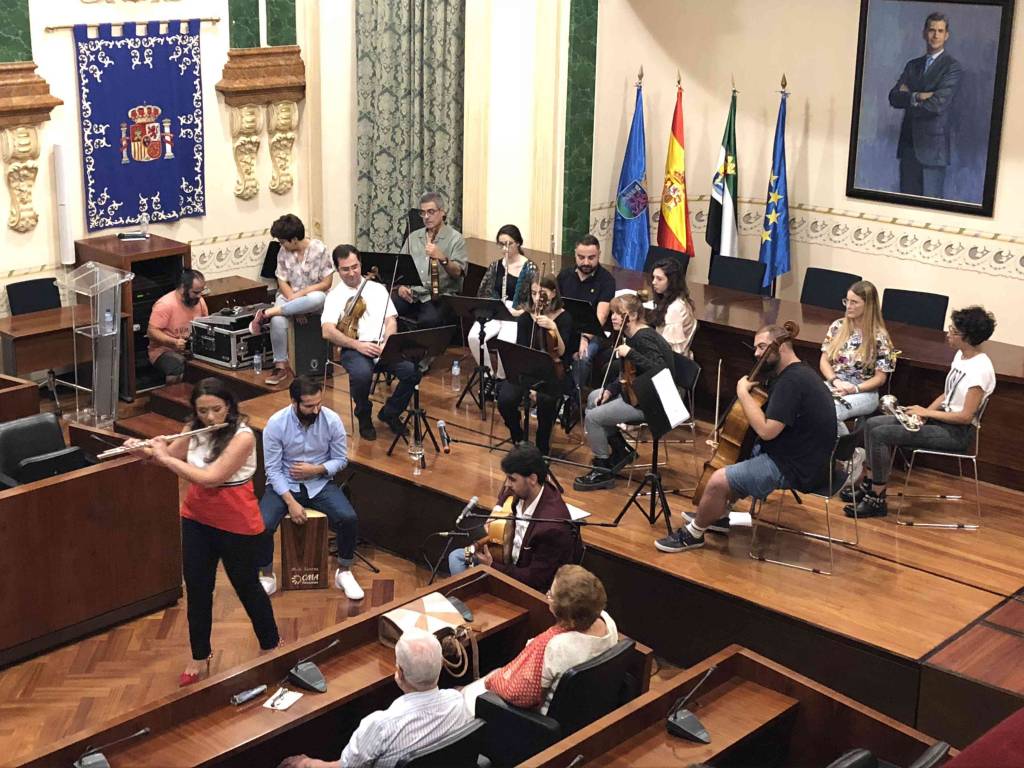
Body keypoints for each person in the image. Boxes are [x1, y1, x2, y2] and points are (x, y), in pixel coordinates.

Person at [125, 378, 279, 685]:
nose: (210, 418)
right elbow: (169, 459)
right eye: (203, 411)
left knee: (247, 587)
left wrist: (165, 457)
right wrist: (143, 452)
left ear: (230, 407)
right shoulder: (192, 429)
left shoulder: (243, 436)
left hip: (236, 522)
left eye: (216, 410)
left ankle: (271, 644)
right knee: (197, 590)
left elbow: (210, 478)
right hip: (197, 519)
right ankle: (199, 654)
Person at [655, 324, 836, 553]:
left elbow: (767, 430)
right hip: (801, 455)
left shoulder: (791, 382)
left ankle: (694, 533)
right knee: (738, 456)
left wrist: (742, 393)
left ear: (780, 348)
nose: (756, 354)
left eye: (762, 347)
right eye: (756, 348)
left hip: (796, 466)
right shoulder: (798, 373)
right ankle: (717, 515)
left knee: (719, 479)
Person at [844, 306, 996, 519]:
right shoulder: (962, 356)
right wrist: (923, 414)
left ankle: (877, 498)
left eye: (953, 330)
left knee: (880, 434)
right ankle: (870, 482)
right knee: (872, 424)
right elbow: (947, 394)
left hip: (956, 433)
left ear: (966, 336)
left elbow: (965, 417)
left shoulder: (980, 370)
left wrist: (927, 413)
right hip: (941, 422)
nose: (948, 333)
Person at [278, 629, 471, 768]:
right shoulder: (458, 703)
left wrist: (306, 764)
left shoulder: (379, 727)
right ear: (439, 666)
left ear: (400, 673)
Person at [257, 375, 364, 600]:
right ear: (294, 402)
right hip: (284, 485)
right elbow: (273, 470)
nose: (316, 410)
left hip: (319, 483)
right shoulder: (276, 424)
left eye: (319, 404)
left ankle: (344, 571)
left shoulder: (332, 420)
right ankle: (267, 575)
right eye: (309, 406)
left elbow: (341, 459)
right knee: (263, 525)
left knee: (348, 518)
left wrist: (316, 470)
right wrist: (291, 502)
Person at [461, 565, 618, 716]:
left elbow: (525, 697)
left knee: (465, 695)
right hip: (582, 708)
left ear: (563, 612)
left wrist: (492, 682)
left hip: (532, 720)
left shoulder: (559, 647)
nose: (547, 596)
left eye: (550, 594)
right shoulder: (608, 621)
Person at [573, 293, 675, 491]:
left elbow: (662, 371)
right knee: (595, 397)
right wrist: (610, 391)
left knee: (593, 417)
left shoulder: (644, 338)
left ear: (634, 315)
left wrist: (631, 354)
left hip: (654, 402)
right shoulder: (630, 336)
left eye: (619, 313)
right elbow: (627, 373)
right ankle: (621, 450)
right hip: (637, 392)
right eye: (613, 313)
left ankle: (602, 470)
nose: (613, 317)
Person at [448, 443, 578, 592]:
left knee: (466, 582)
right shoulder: (527, 489)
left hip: (522, 583)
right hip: (506, 562)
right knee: (456, 557)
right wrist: (497, 509)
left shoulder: (552, 527)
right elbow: (507, 493)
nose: (508, 484)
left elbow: (534, 579)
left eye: (512, 479)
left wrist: (492, 566)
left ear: (533, 479)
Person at [321, 245, 420, 440]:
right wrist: (357, 345)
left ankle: (390, 412)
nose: (352, 273)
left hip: (383, 345)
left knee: (412, 372)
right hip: (354, 347)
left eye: (355, 266)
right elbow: (327, 330)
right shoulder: (334, 296)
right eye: (345, 269)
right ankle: (364, 415)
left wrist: (387, 341)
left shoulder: (377, 289)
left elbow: (391, 320)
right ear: (337, 270)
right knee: (361, 375)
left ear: (360, 263)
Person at [250, 214, 335, 386]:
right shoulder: (283, 252)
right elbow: (281, 281)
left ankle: (266, 313)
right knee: (278, 321)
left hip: (312, 298)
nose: (281, 245)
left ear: (294, 239)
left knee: (319, 298)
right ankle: (280, 366)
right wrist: (294, 304)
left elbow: (326, 283)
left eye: (283, 241)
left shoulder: (320, 249)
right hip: (289, 298)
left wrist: (302, 294)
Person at [888, 12, 963, 198]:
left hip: (933, 151)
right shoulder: (912, 65)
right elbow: (894, 97)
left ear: (947, 35)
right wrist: (919, 96)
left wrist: (909, 97)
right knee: (905, 207)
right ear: (924, 33)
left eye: (940, 31)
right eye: (931, 30)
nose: (935, 35)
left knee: (928, 210)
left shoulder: (952, 67)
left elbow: (938, 105)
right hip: (908, 148)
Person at [496, 275, 573, 456]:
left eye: (542, 293)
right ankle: (517, 435)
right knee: (505, 399)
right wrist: (528, 387)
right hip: (526, 370)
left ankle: (542, 446)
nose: (537, 298)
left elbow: (561, 352)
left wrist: (553, 328)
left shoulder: (564, 318)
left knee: (547, 401)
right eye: (533, 293)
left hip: (552, 371)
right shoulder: (526, 318)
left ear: (553, 293)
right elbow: (520, 350)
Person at [819, 280, 895, 435]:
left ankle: (849, 455)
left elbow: (880, 378)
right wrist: (836, 381)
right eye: (847, 301)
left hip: (863, 391)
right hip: (835, 383)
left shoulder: (880, 337)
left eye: (854, 302)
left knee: (831, 411)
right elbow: (824, 361)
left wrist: (854, 388)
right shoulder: (837, 326)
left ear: (868, 305)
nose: (848, 306)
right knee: (804, 402)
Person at [468, 224, 537, 387]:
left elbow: (535, 298)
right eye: (501, 244)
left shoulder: (530, 268)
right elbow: (483, 292)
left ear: (518, 243)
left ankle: (501, 379)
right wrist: (493, 304)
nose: (504, 248)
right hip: (496, 311)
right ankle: (488, 376)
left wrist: (520, 311)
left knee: (506, 342)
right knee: (474, 337)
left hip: (516, 314)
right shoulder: (496, 265)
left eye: (509, 244)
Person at [395, 191, 468, 331]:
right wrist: (401, 287)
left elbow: (458, 273)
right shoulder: (414, 237)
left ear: (442, 212)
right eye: (423, 213)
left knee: (429, 321)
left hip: (439, 296)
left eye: (431, 212)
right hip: (413, 293)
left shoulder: (455, 239)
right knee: (386, 309)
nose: (426, 217)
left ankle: (424, 351)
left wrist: (442, 258)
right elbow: (401, 268)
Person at [557, 235, 616, 391]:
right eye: (581, 257)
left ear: (599, 255)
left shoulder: (607, 280)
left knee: (583, 356)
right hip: (567, 326)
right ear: (575, 254)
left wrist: (584, 338)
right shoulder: (564, 275)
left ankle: (573, 398)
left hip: (593, 332)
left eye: (591, 258)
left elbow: (601, 316)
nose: (586, 262)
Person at [147, 268, 208, 384]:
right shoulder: (165, 304)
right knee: (177, 364)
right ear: (183, 288)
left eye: (201, 292)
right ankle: (172, 397)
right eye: (195, 292)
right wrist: (173, 342)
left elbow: (206, 324)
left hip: (192, 349)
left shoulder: (200, 302)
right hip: (164, 351)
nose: (200, 296)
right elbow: (152, 332)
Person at [648, 257, 697, 356]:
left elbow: (669, 350)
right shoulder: (674, 299)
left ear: (672, 281)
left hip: (669, 364)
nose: (653, 282)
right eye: (653, 277)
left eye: (659, 279)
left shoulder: (675, 309)